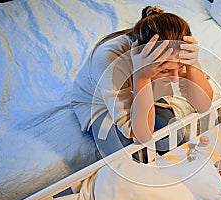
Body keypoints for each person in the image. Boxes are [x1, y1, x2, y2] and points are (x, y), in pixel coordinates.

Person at [71, 6, 213, 159]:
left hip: (144, 89)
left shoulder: (172, 52)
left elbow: (203, 105)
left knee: (173, 138)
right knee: (129, 157)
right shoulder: (108, 58)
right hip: (99, 104)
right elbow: (141, 134)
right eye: (165, 71)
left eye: (180, 68)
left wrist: (192, 64)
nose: (175, 78)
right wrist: (141, 76)